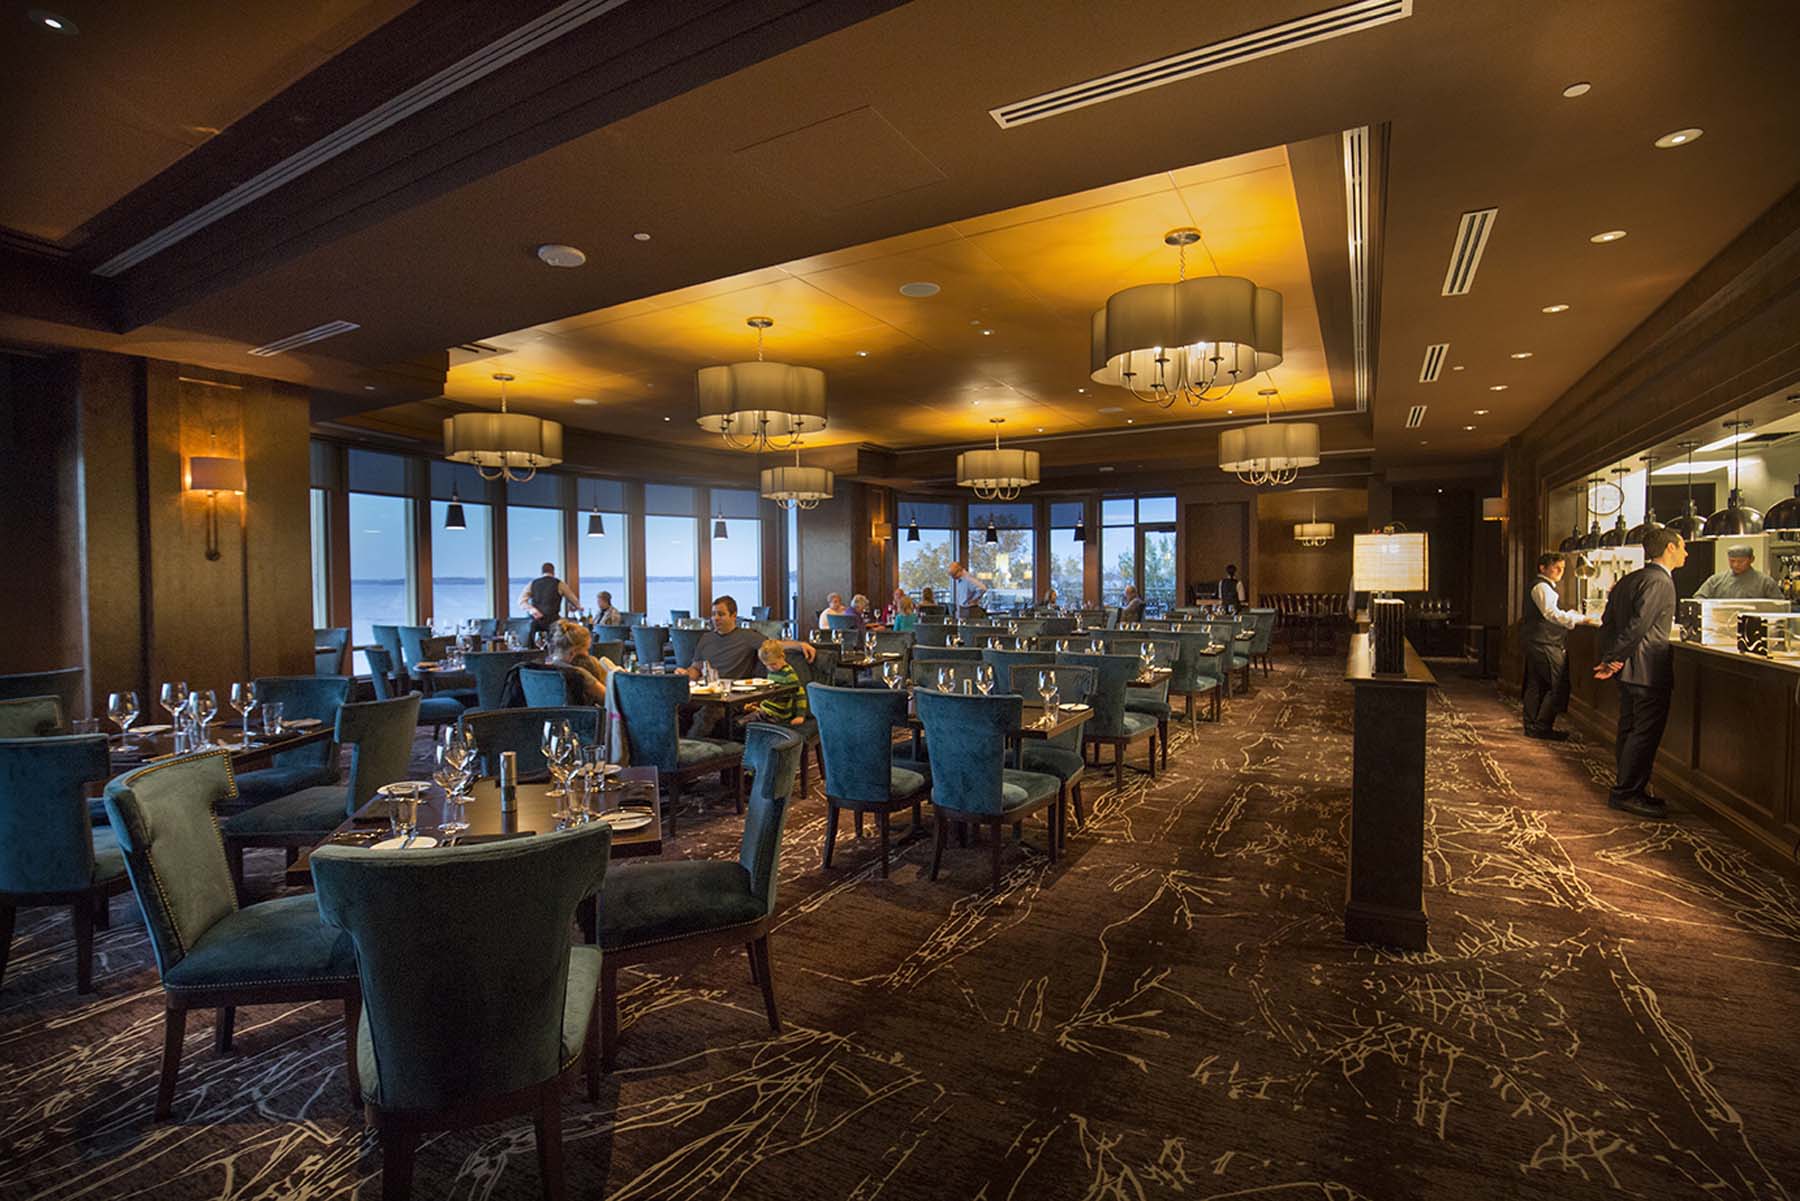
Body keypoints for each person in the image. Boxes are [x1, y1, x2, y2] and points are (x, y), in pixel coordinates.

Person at [1595, 527, 1687, 819]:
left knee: (1630, 730)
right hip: (1647, 669)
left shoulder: (1630, 579)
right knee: (1644, 734)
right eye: (1683, 547)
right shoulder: (1660, 582)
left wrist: (1612, 657)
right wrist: (1613, 658)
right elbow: (1639, 626)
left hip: (1629, 670)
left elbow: (1608, 622)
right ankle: (1627, 793)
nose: (1686, 553)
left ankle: (1628, 787)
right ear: (1670, 548)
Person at [686, 596, 815, 737]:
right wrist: (683, 675)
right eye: (713, 614)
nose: (715, 618)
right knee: (671, 704)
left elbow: (774, 645)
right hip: (705, 693)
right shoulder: (706, 639)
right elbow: (695, 668)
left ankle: (691, 752)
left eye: (721, 614)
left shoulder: (747, 637)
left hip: (733, 697)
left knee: (709, 711)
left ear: (734, 616)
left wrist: (799, 645)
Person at [1521, 552, 1597, 740]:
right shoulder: (1542, 587)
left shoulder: (1543, 587)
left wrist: (1574, 616)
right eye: (1556, 568)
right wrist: (1580, 618)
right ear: (1543, 568)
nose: (1560, 572)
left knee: (1536, 685)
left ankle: (1532, 726)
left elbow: (1552, 612)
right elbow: (1551, 614)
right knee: (1557, 686)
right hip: (1545, 642)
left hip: (1537, 641)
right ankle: (1541, 727)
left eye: (1563, 569)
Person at [549, 619, 617, 704]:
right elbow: (609, 699)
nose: (587, 654)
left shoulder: (542, 668)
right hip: (580, 716)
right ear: (572, 653)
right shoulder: (579, 674)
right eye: (586, 650)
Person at [748, 640, 810, 728]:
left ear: (782, 656)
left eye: (773, 664)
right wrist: (758, 702)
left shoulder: (788, 674)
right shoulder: (772, 671)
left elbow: (800, 694)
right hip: (767, 709)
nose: (770, 668)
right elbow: (770, 692)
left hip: (778, 714)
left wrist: (800, 715)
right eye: (767, 665)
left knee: (743, 722)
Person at [1693, 544, 1785, 599]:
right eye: (1732, 561)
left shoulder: (1765, 582)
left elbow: (1779, 606)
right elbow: (1698, 598)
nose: (1736, 565)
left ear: (1752, 559)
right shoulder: (1716, 580)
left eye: (1741, 561)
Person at [518, 562, 581, 637]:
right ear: (553, 572)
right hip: (554, 623)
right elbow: (574, 601)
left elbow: (521, 601)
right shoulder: (559, 584)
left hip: (536, 623)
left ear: (542, 572)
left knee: (534, 645)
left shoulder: (533, 583)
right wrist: (575, 607)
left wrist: (532, 610)